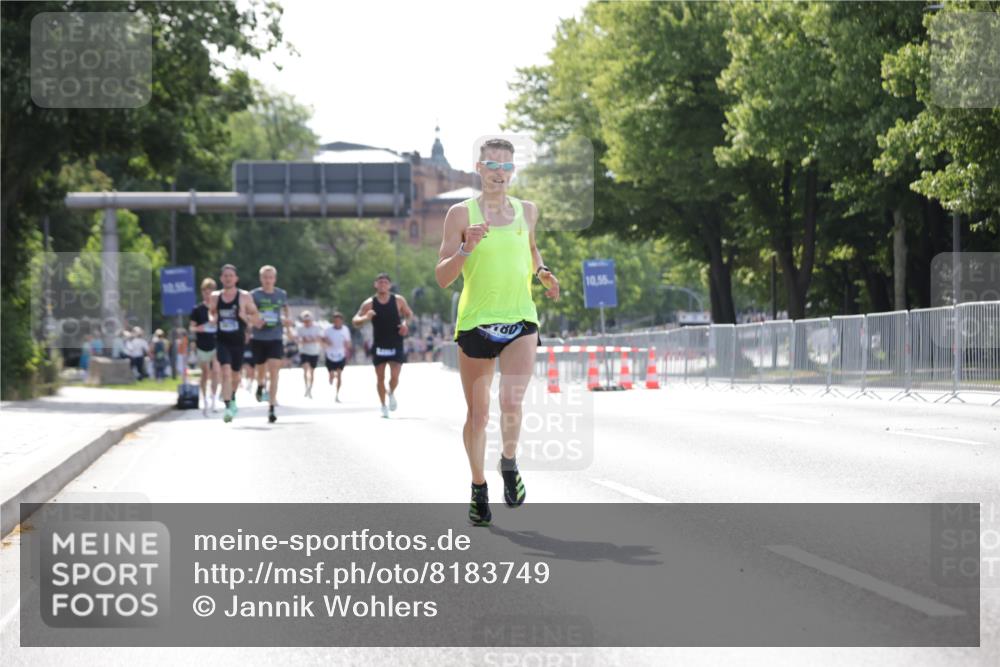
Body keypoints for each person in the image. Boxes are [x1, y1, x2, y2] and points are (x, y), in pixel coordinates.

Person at [434, 137, 560, 527]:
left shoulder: (528, 211)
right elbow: (442, 277)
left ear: (513, 170)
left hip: (521, 318)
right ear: (479, 168)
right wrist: (466, 249)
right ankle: (478, 486)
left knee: (511, 402)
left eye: (507, 166)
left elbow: (532, 249)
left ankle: (509, 462)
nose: (500, 173)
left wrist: (542, 272)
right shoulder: (460, 214)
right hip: (476, 322)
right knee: (478, 414)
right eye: (493, 165)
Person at [352, 273, 413, 418]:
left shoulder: (398, 300)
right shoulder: (369, 303)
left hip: (396, 342)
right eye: (380, 282)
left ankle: (391, 393)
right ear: (375, 285)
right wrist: (365, 317)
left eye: (385, 282)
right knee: (380, 377)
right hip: (379, 344)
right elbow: (355, 321)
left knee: (395, 376)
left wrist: (405, 324)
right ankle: (383, 406)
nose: (383, 285)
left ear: (389, 285)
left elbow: (409, 314)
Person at [209, 264, 263, 423]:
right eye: (225, 276)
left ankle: (232, 396)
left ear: (236, 278)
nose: (228, 278)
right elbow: (211, 312)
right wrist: (213, 319)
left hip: (238, 341)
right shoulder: (215, 296)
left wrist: (245, 316)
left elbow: (256, 316)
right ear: (221, 278)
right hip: (222, 340)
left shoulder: (244, 296)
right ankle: (227, 407)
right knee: (225, 371)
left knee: (235, 375)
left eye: (231, 276)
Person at [250, 265, 291, 424]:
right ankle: (260, 385)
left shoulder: (281, 294)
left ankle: (271, 407)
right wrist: (255, 321)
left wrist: (288, 323)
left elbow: (286, 309)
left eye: (271, 277)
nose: (268, 280)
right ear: (261, 279)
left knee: (274, 371)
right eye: (265, 277)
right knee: (261, 370)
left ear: (275, 279)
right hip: (259, 337)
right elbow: (248, 313)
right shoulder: (254, 295)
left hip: (276, 337)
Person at [190, 278, 221, 414]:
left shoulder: (219, 308)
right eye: (206, 292)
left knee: (216, 371)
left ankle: (214, 399)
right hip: (202, 344)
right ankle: (204, 399)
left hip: (217, 343)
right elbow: (191, 327)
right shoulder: (197, 309)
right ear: (202, 292)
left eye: (210, 292)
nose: (208, 295)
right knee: (205, 373)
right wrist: (200, 328)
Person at [322, 311, 352, 403]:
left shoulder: (345, 330)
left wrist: (348, 348)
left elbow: (348, 342)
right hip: (330, 354)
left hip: (340, 354)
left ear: (341, 321)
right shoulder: (328, 329)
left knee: (339, 375)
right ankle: (331, 376)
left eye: (338, 321)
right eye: (335, 321)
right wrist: (326, 341)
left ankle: (337, 394)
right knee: (332, 374)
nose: (337, 322)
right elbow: (322, 339)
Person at [295, 311, 323, 398]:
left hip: (314, 352)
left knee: (312, 371)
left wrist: (310, 340)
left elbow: (319, 339)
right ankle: (306, 387)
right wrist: (303, 340)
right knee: (305, 369)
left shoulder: (317, 327)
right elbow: (297, 339)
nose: (306, 322)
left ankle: (310, 388)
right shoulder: (300, 328)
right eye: (305, 321)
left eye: (308, 320)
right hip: (304, 351)